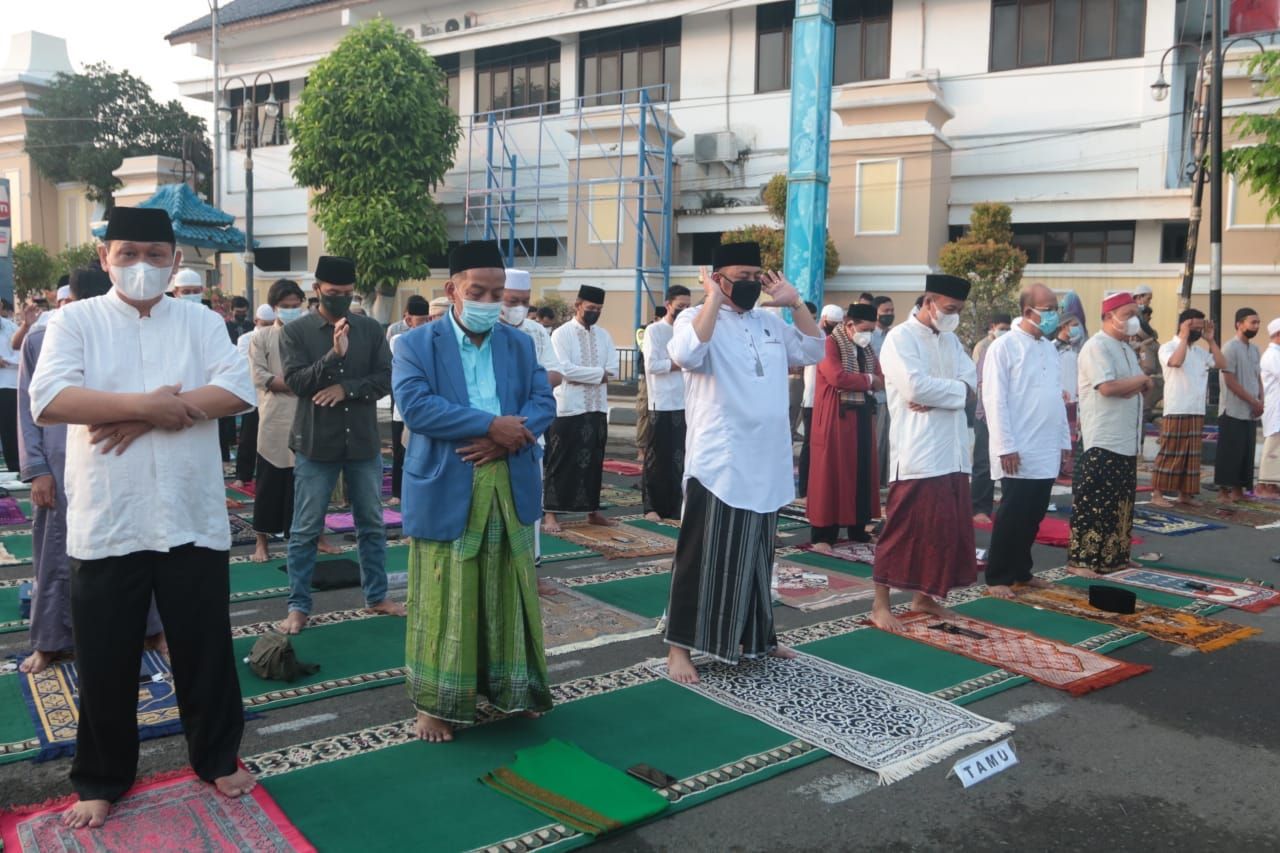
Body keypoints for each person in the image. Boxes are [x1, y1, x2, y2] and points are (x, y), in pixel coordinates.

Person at [29, 206, 257, 828]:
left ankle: (217, 757)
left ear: (176, 261)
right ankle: (101, 777)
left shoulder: (201, 321)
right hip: (110, 516)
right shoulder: (74, 321)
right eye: (127, 253)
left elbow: (237, 390)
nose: (141, 266)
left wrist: (145, 414)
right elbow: (51, 400)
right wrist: (150, 405)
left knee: (204, 647)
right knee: (105, 655)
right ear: (105, 258)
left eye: (155, 256)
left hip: (190, 514)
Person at [393, 240, 556, 742]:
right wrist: (493, 426)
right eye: (478, 291)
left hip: (508, 477)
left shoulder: (519, 343)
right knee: (443, 595)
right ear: (453, 291)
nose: (490, 301)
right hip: (448, 480)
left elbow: (543, 400)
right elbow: (417, 408)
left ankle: (514, 690)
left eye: (498, 293)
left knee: (509, 589)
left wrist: (507, 442)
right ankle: (434, 705)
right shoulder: (415, 344)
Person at [663, 242, 824, 683]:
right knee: (702, 556)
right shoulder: (691, 319)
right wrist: (713, 298)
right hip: (721, 461)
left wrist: (795, 305)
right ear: (717, 277)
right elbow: (688, 355)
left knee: (757, 556)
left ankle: (758, 638)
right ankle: (679, 647)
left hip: (768, 458)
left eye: (758, 276)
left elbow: (813, 352)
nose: (752, 284)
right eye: (742, 276)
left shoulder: (770, 321)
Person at [18, 267, 167, 673]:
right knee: (54, 553)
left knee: (138, 544)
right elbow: (29, 410)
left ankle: (151, 629)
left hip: (122, 457)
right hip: (61, 463)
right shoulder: (40, 338)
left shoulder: (134, 332)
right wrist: (37, 470)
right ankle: (49, 641)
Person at [278, 256, 404, 633]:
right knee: (305, 528)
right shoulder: (296, 333)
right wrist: (335, 356)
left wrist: (345, 388)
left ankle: (377, 596)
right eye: (333, 294)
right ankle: (298, 606)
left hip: (363, 443)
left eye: (347, 294)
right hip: (316, 444)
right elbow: (297, 383)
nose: (340, 300)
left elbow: (385, 378)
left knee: (371, 524)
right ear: (316, 290)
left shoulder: (369, 329)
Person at [872, 274, 979, 631]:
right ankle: (880, 604)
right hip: (917, 452)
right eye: (950, 309)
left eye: (959, 310)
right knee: (902, 530)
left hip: (953, 452)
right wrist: (949, 395)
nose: (954, 316)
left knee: (943, 533)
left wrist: (939, 399)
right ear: (929, 301)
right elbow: (912, 385)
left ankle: (924, 598)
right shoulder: (899, 339)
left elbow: (971, 386)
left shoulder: (951, 341)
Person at [981, 284, 1072, 598]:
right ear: (1027, 311)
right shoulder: (1003, 347)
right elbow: (995, 400)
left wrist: (1064, 443)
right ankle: (998, 577)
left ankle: (1022, 571)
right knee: (1012, 514)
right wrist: (1005, 445)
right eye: (1047, 308)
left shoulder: (1048, 347)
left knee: (1034, 514)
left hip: (1046, 445)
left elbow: (1055, 398)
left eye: (1054, 307)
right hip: (1017, 448)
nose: (1053, 314)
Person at [249, 279, 340, 562]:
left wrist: (302, 383)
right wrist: (297, 383)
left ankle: (318, 536)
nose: (290, 310)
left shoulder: (311, 334)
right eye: (284, 307)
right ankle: (261, 542)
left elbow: (324, 371)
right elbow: (259, 377)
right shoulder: (261, 337)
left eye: (294, 306)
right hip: (275, 418)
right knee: (269, 481)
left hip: (308, 413)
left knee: (312, 482)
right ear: (274, 307)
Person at [1067, 292, 1150, 577]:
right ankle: (1083, 561)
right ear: (1107, 317)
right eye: (1127, 315)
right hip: (1102, 437)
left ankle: (1115, 557)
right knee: (1095, 500)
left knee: (1121, 501)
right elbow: (1107, 387)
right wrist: (1140, 381)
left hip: (1126, 437)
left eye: (1134, 315)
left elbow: (1131, 387)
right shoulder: (1096, 346)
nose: (1132, 321)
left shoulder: (1126, 348)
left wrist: (1137, 384)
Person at [807, 303, 882, 552]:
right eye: (865, 329)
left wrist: (869, 381)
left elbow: (882, 377)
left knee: (861, 471)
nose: (869, 334)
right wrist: (869, 380)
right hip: (834, 417)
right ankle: (823, 536)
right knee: (831, 472)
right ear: (849, 325)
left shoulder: (866, 348)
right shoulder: (829, 343)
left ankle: (858, 529)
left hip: (861, 415)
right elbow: (837, 376)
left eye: (872, 330)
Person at [543, 285, 618, 533]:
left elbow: (614, 370)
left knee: (594, 462)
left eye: (598, 309)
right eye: (590, 308)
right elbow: (564, 370)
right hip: (569, 408)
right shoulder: (561, 335)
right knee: (560, 461)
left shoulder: (604, 336)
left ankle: (592, 511)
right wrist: (598, 375)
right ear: (578, 306)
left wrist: (585, 375)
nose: (594, 312)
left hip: (597, 407)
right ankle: (550, 514)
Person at [1151, 309, 1225, 508]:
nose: (1198, 331)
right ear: (1183, 325)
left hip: (1196, 409)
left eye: (1200, 327)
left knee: (1191, 456)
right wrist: (1184, 336)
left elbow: (1221, 363)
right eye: (1194, 327)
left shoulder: (1200, 351)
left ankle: (1185, 494)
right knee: (1170, 452)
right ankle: (1157, 494)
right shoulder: (1168, 347)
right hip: (1177, 408)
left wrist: (1210, 340)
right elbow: (1176, 361)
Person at [642, 286, 691, 522]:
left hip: (686, 403)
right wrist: (679, 363)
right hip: (660, 402)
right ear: (668, 304)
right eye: (680, 306)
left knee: (681, 458)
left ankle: (676, 506)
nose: (684, 310)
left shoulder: (689, 331)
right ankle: (651, 507)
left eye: (687, 306)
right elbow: (652, 365)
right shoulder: (654, 331)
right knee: (656, 457)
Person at [387, 295, 432, 504]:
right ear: (408, 318)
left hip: (427, 403)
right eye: (420, 320)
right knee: (400, 450)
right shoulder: (398, 337)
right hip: (402, 404)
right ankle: (397, 492)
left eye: (427, 319)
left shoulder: (434, 337)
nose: (424, 323)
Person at [1216, 307, 1264, 504]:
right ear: (1239, 324)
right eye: (1253, 322)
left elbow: (1257, 376)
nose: (1256, 326)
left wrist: (1260, 400)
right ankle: (1223, 493)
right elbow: (1230, 381)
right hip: (1233, 409)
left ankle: (1238, 491)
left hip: (1251, 410)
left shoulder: (1254, 349)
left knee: (1245, 452)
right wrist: (1253, 401)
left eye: (1258, 322)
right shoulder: (1229, 348)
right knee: (1231, 452)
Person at [229, 304, 276, 489]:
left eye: (271, 323)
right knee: (248, 437)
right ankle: (242, 475)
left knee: (272, 439)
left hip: (274, 394)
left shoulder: (280, 335)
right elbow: (248, 366)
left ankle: (267, 477)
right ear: (256, 322)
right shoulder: (245, 339)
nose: (267, 327)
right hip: (254, 395)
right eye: (264, 324)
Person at [799, 304, 843, 500]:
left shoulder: (837, 340)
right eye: (832, 324)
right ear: (824, 320)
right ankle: (805, 487)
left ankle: (820, 487)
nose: (834, 327)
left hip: (829, 400)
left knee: (824, 445)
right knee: (809, 444)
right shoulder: (815, 336)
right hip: (812, 399)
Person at [970, 313, 1012, 524]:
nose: (1005, 332)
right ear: (993, 327)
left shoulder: (1013, 349)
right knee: (983, 462)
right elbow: (980, 383)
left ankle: (1008, 506)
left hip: (1008, 414)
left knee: (1008, 462)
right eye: (1002, 327)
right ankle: (979, 508)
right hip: (986, 414)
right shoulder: (985, 349)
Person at [871, 295, 895, 489]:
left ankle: (888, 484)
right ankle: (873, 486)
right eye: (885, 311)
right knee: (877, 443)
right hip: (876, 397)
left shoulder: (896, 335)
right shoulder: (869, 337)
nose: (890, 314)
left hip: (894, 398)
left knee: (892, 443)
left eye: (891, 311)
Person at [1056, 316, 1083, 479]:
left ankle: (1067, 466)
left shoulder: (1075, 350)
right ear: (1064, 326)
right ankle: (1057, 465)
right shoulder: (1053, 348)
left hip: (1073, 399)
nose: (1076, 329)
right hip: (1058, 400)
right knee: (1057, 433)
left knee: (1071, 435)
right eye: (1073, 325)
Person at [1257, 319, 1280, 499]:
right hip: (1274, 407)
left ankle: (1274, 485)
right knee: (1272, 446)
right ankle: (1265, 485)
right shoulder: (1272, 355)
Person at [1132, 303, 1163, 424]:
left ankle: (1141, 439)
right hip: (1157, 383)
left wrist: (1136, 377)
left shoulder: (1146, 346)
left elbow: (1148, 367)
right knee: (1146, 411)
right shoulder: (1152, 343)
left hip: (1153, 382)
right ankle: (1163, 428)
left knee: (1142, 412)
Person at [0, 300, 19, 472]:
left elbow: (21, 354)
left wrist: (5, 361)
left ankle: (14, 469)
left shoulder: (11, 328)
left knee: (9, 430)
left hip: (7, 385)